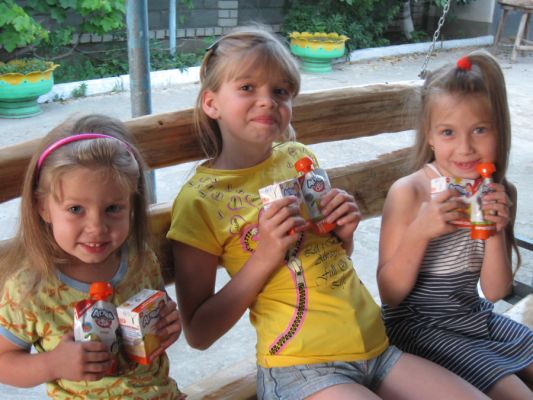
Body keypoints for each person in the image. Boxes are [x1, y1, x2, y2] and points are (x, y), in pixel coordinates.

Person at [167, 26, 488, 399]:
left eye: (280, 91)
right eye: (247, 87)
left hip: (378, 349)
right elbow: (199, 333)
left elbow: (329, 257)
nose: (267, 101)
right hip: (301, 367)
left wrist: (343, 233)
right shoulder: (200, 201)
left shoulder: (298, 157)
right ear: (211, 103)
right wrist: (265, 255)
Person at [377, 50, 533, 400]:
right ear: (429, 136)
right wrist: (420, 232)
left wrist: (493, 230)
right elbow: (389, 295)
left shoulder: (499, 191)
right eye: (448, 132)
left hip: (474, 318)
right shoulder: (409, 192)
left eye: (479, 129)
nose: (465, 148)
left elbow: (494, 291)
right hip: (418, 327)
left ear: (499, 130)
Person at [0, 115, 185, 399]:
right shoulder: (30, 288)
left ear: (132, 204)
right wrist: (52, 364)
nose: (97, 227)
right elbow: (4, 361)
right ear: (43, 207)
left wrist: (168, 325)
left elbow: (160, 312)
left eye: (113, 208)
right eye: (76, 209)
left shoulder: (140, 259)